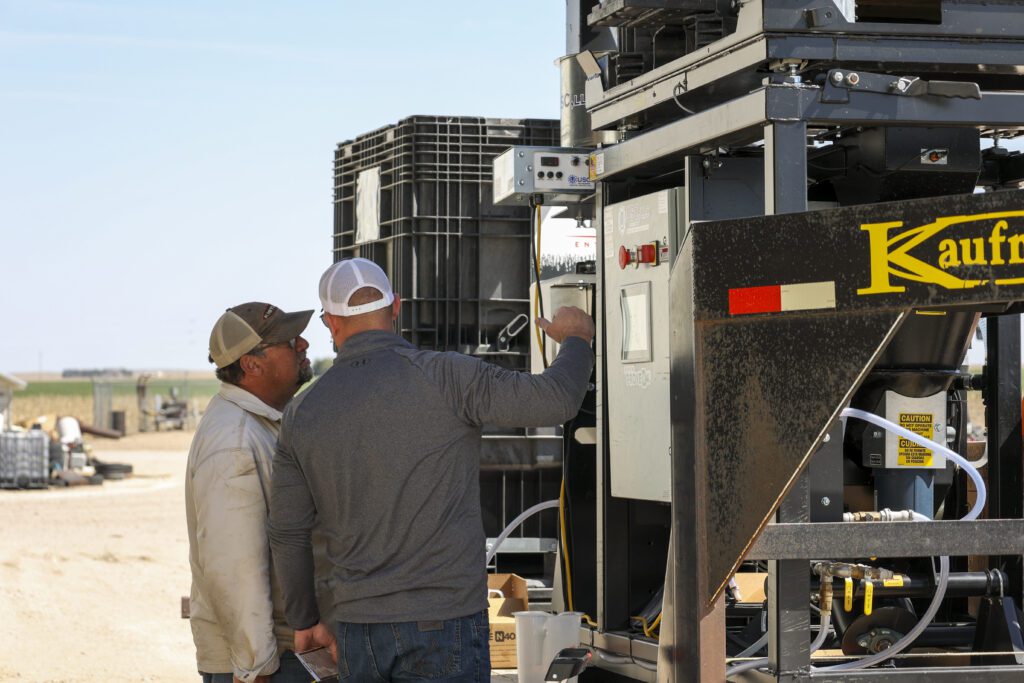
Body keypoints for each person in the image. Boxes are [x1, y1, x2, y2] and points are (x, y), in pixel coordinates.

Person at [268, 258, 595, 682]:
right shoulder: (449, 377)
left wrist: (304, 618)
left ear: (330, 322)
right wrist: (576, 340)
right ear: (396, 307)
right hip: (446, 623)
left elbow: (287, 530)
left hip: (357, 630)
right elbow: (554, 401)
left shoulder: (302, 412)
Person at [185, 302, 315, 683]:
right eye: (289, 342)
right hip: (263, 663)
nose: (304, 344)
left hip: (277, 653)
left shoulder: (259, 423)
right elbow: (234, 566)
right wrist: (256, 666)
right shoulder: (235, 441)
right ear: (251, 365)